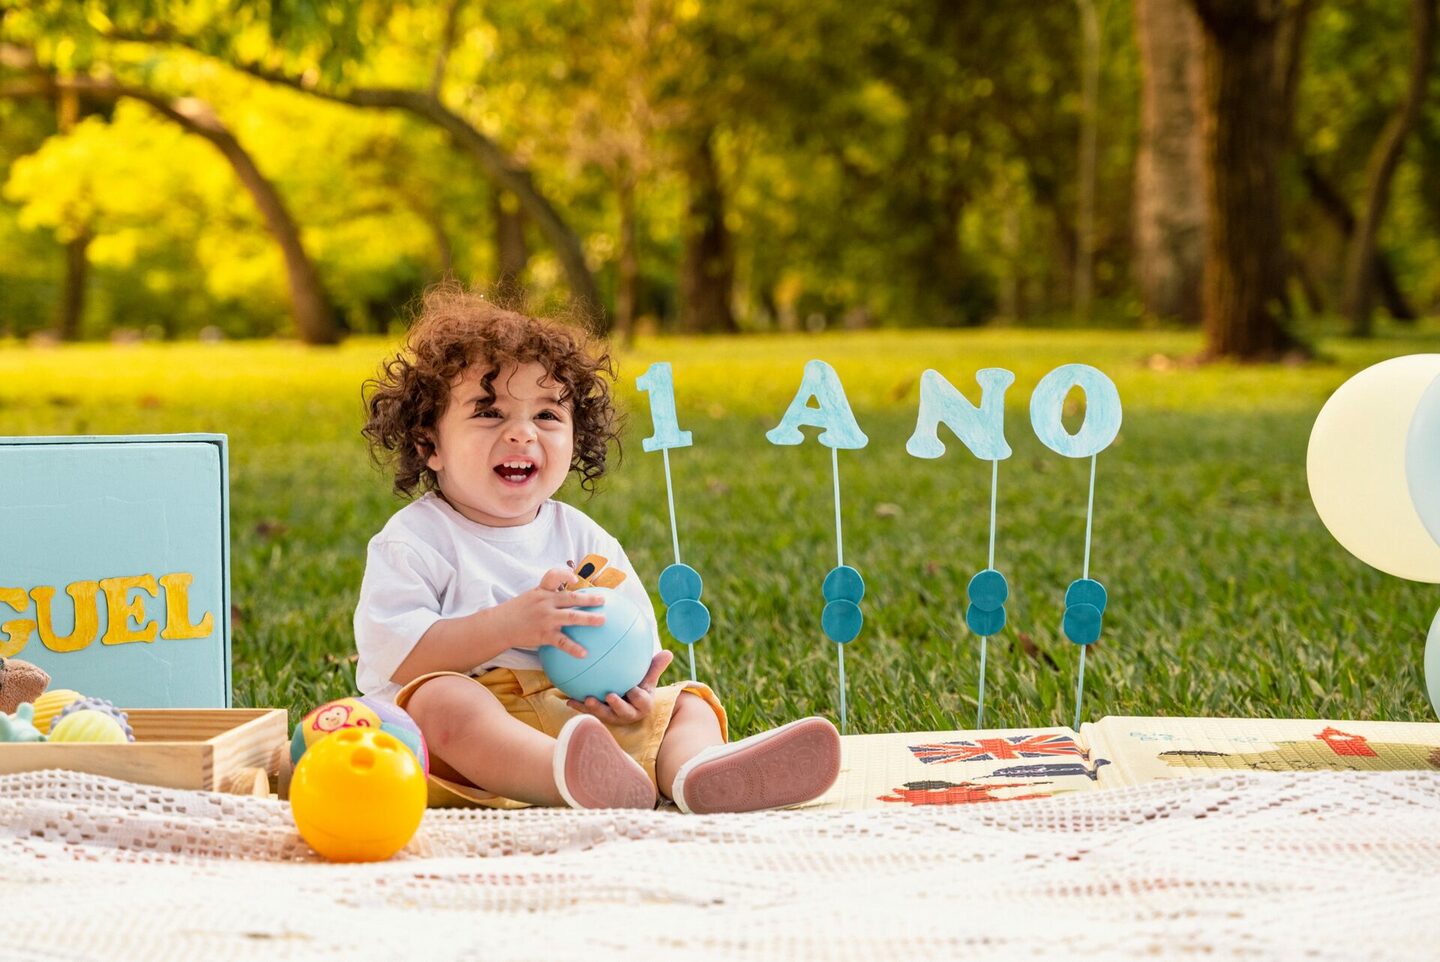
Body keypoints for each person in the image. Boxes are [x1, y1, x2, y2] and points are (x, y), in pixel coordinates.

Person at [354, 286, 841, 812]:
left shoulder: (583, 537)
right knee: (439, 701)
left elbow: (630, 634)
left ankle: (697, 771)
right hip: (479, 737)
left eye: (547, 416)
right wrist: (508, 626)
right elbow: (397, 655)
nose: (522, 434)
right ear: (429, 444)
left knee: (686, 703)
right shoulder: (416, 540)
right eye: (490, 413)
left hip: (579, 713)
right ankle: (564, 777)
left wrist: (631, 690)